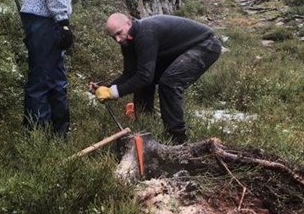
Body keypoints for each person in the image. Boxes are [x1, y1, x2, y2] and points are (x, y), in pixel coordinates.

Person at [20, 0, 99, 138]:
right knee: (42, 80)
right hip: (45, 22)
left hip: (43, 21)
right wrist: (63, 22)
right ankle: (37, 135)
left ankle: (58, 133)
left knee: (55, 78)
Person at [92, 12, 221, 144]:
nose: (118, 39)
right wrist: (106, 88)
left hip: (206, 45)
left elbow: (144, 77)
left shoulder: (145, 33)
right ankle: (146, 127)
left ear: (128, 23)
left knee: (169, 83)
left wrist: (114, 92)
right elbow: (130, 74)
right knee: (144, 80)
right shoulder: (128, 41)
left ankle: (178, 140)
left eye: (119, 33)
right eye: (114, 37)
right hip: (183, 50)